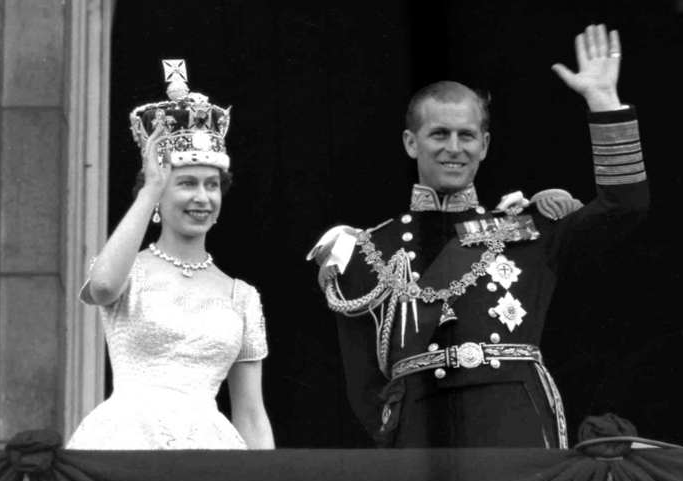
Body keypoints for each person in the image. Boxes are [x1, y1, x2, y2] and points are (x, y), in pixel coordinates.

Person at [309, 25, 648, 448]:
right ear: (411, 143)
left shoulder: (528, 229)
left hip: (514, 426)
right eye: (439, 134)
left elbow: (625, 206)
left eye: (466, 135)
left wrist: (604, 101)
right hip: (418, 434)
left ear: (484, 144)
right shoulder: (366, 250)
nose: (454, 147)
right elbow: (363, 384)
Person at [67, 61, 275, 450]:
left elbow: (250, 412)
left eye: (212, 185)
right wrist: (150, 188)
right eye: (186, 184)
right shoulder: (128, 268)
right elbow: (103, 286)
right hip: (124, 443)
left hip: (210, 451)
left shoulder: (242, 296)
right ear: (159, 193)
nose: (202, 197)